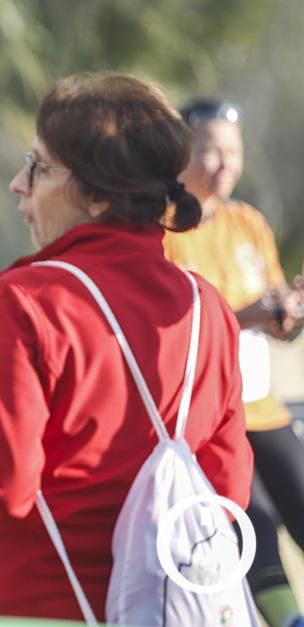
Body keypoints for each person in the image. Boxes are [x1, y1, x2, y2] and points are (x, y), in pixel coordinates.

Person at [0, 73, 254, 621]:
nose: (17, 183)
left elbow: (1, 481)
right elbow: (227, 489)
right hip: (163, 605)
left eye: (38, 166)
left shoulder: (30, 298)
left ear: (98, 195)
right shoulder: (206, 307)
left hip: (35, 600)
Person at [164, 99, 304, 627]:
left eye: (233, 152)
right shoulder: (163, 226)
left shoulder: (248, 222)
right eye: (210, 152)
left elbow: (272, 322)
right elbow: (173, 325)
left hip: (263, 406)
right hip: (206, 418)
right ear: (181, 153)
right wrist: (245, 313)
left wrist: (287, 314)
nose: (224, 165)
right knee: (253, 529)